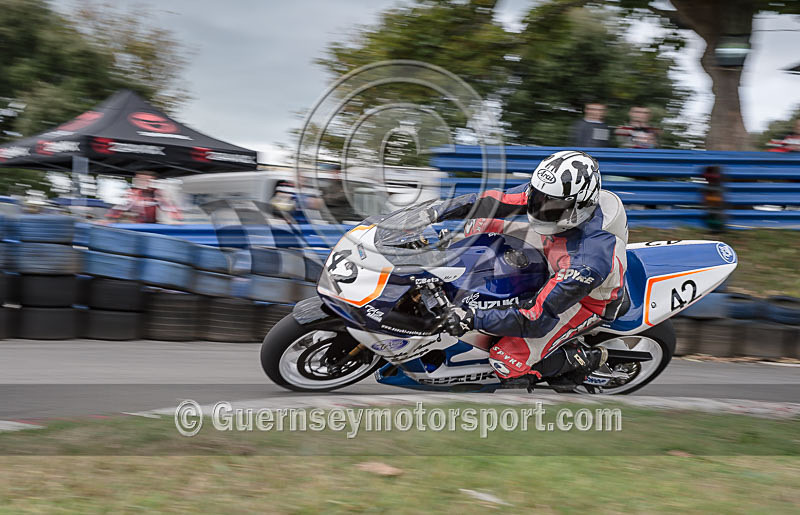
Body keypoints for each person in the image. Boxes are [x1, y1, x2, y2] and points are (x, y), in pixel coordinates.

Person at [431, 150, 628, 388]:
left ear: (579, 207)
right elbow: (492, 202)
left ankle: (579, 361)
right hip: (555, 247)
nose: (539, 207)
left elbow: (536, 318)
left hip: (586, 298)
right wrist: (436, 212)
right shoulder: (553, 195)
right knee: (480, 224)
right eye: (537, 198)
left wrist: (471, 318)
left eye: (551, 204)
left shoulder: (589, 259)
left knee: (506, 361)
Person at [105, 171, 182, 223]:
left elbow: (169, 207)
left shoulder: (156, 192)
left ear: (152, 181)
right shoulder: (133, 192)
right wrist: (110, 219)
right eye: (140, 179)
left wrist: (176, 220)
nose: (143, 182)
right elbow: (120, 207)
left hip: (151, 226)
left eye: (146, 180)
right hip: (135, 226)